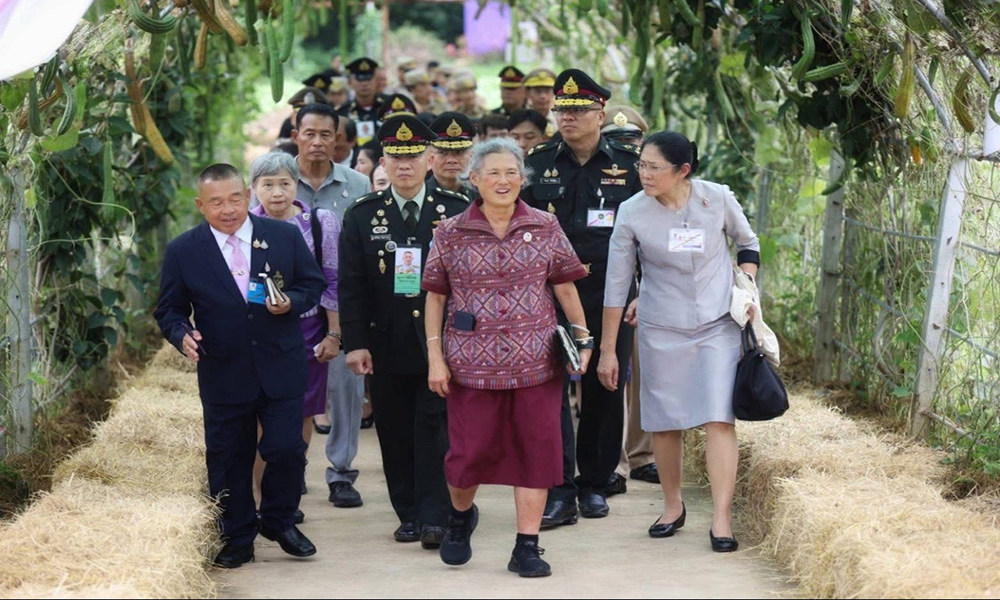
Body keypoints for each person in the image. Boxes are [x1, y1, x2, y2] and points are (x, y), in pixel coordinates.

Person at [422, 138, 592, 578]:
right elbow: (435, 298)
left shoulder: (545, 226)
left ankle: (526, 546)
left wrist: (583, 338)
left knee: (537, 453)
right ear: (474, 179)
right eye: (493, 173)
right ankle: (460, 518)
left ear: (522, 179)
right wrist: (435, 358)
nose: (503, 181)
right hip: (469, 365)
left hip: (537, 363)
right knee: (467, 455)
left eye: (511, 172)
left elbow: (565, 286)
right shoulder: (449, 232)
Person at [154, 163, 326, 568]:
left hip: (280, 364)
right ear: (201, 206)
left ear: (247, 196)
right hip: (223, 370)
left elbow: (312, 284)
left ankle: (280, 521)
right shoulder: (184, 250)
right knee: (228, 456)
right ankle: (237, 536)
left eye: (235, 199)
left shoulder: (282, 236)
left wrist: (292, 303)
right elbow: (169, 309)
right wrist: (182, 334)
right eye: (216, 203)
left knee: (286, 449)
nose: (228, 209)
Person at [598, 131, 760, 552]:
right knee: (664, 420)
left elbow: (748, 244)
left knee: (719, 417)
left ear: (683, 170)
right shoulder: (632, 211)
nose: (644, 174)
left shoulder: (717, 198)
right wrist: (608, 351)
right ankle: (672, 506)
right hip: (660, 326)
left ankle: (721, 518)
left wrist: (746, 289)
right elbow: (616, 285)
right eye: (641, 165)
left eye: (654, 167)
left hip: (717, 323)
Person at [338, 114, 470, 548]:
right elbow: (351, 285)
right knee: (394, 430)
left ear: (430, 159)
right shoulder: (363, 214)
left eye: (413, 156)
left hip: (442, 342)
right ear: (383, 162)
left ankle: (435, 515)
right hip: (386, 340)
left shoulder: (455, 210)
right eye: (395, 157)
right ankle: (408, 513)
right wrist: (355, 342)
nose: (404, 165)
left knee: (436, 428)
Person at [521, 68, 643, 528]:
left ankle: (595, 482)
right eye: (562, 110)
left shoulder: (629, 164)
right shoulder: (538, 162)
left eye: (578, 110)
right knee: (550, 391)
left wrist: (646, 288)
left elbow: (648, 232)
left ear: (600, 114)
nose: (568, 118)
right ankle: (559, 488)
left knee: (604, 387)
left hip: (610, 294)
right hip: (549, 296)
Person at [248, 152, 342, 506]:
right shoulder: (244, 225)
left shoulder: (320, 222)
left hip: (308, 330)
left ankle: (288, 491)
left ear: (296, 185)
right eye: (267, 185)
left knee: (302, 410)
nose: (277, 193)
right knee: (260, 412)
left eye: (284, 183)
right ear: (253, 188)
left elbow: (332, 279)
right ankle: (262, 496)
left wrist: (333, 334)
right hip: (258, 333)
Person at [290, 102, 371, 509]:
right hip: (293, 309)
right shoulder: (278, 180)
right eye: (310, 134)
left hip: (345, 303)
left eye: (327, 134)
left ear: (338, 138)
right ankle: (293, 468)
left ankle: (341, 472)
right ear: (296, 136)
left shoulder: (357, 184)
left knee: (346, 390)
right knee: (293, 391)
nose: (318, 142)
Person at [426, 112, 475, 200]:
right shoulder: (418, 196)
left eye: (459, 152)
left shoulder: (483, 196)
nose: (451, 160)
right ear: (429, 158)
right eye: (443, 152)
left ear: (471, 156)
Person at [340, 57, 382, 145]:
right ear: (350, 82)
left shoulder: (388, 107)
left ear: (376, 81)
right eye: (359, 79)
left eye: (368, 79)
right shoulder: (342, 112)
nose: (364, 84)